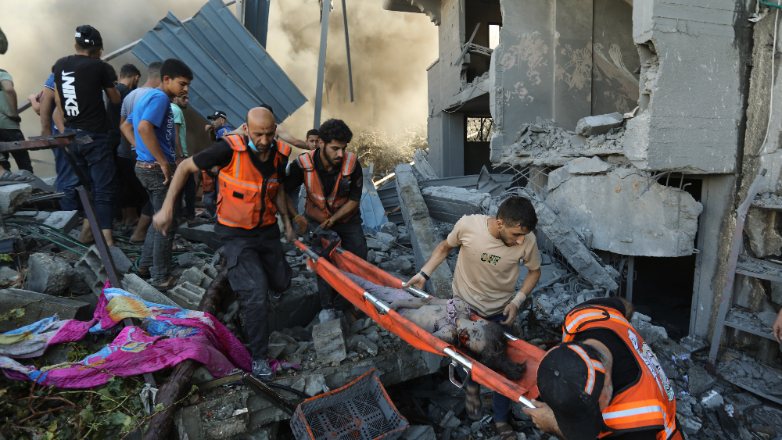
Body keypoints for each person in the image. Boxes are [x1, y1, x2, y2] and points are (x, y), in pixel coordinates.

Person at [152, 107, 294, 381]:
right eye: (258, 134)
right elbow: (184, 167)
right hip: (235, 233)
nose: (264, 140)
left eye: (268, 134)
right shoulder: (228, 149)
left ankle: (261, 287)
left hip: (266, 231)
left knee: (282, 281)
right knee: (256, 292)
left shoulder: (278, 156)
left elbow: (276, 190)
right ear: (246, 129)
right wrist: (167, 208)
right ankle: (259, 357)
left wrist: (287, 221)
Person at [405, 195, 542, 439]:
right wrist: (423, 274)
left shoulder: (527, 240)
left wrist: (517, 301)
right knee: (469, 357)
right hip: (466, 308)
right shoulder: (469, 226)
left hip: (501, 313)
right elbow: (445, 247)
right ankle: (471, 388)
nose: (521, 240)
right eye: (515, 235)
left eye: (524, 235)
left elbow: (534, 271)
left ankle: (500, 418)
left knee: (504, 365)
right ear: (500, 223)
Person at [524, 297, 682, 440]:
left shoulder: (638, 416)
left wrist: (555, 426)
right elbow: (624, 306)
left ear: (607, 381)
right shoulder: (584, 317)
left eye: (595, 406)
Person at [346, 272, 525, 380]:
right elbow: (427, 301)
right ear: (480, 322)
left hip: (397, 319)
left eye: (468, 343)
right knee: (367, 286)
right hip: (402, 303)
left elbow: (428, 340)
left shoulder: (448, 332)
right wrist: (399, 304)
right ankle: (336, 270)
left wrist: (394, 313)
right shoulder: (460, 306)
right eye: (475, 335)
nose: (466, 337)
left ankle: (343, 286)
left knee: (364, 296)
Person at [121, 58, 192, 289]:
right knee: (166, 222)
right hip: (155, 169)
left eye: (187, 85)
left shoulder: (146, 96)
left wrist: (140, 149)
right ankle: (160, 277)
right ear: (167, 79)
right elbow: (142, 128)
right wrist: (161, 160)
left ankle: (145, 266)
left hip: (144, 166)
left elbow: (126, 126)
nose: (185, 89)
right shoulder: (160, 98)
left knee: (157, 218)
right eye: (182, 84)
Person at [285, 118, 367, 316]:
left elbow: (354, 200)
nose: (340, 154)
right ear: (320, 143)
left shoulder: (352, 164)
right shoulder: (302, 164)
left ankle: (348, 303)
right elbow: (283, 191)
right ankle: (327, 307)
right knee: (322, 263)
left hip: (347, 219)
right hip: (315, 220)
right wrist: (296, 218)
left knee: (358, 258)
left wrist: (333, 219)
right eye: (335, 148)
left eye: (343, 148)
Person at [52, 25, 120, 246]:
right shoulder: (100, 67)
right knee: (103, 189)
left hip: (73, 138)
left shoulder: (60, 65)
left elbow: (60, 101)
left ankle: (86, 234)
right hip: (95, 137)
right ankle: (107, 243)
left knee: (88, 188)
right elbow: (115, 99)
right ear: (98, 49)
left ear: (76, 45)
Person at [119, 62, 161, 242]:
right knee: (156, 194)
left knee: (138, 191)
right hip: (147, 155)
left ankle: (132, 224)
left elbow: (122, 125)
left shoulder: (130, 96)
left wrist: (132, 146)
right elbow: (148, 128)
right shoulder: (156, 97)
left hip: (127, 153)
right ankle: (142, 233)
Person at [0, 67, 33, 173]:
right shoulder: (2, 73)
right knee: (24, 163)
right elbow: (9, 89)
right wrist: (13, 113)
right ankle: (33, 187)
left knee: (3, 166)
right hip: (8, 125)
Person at [171, 94, 196, 222]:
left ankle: (180, 215)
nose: (187, 101)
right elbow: (174, 134)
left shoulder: (171, 108)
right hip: (180, 157)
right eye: (183, 98)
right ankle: (189, 216)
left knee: (180, 187)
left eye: (187, 98)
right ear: (175, 98)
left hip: (177, 155)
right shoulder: (176, 110)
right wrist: (180, 155)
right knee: (189, 187)